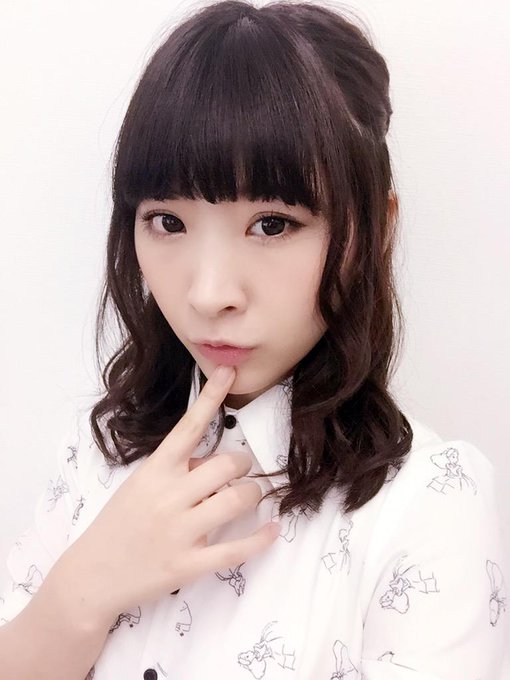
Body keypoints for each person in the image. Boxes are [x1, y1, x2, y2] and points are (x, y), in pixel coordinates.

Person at [0, 0, 507, 678]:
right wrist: (79, 595)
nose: (210, 294)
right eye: (167, 222)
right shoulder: (100, 451)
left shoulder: (427, 504)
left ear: (375, 230)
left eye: (272, 224)